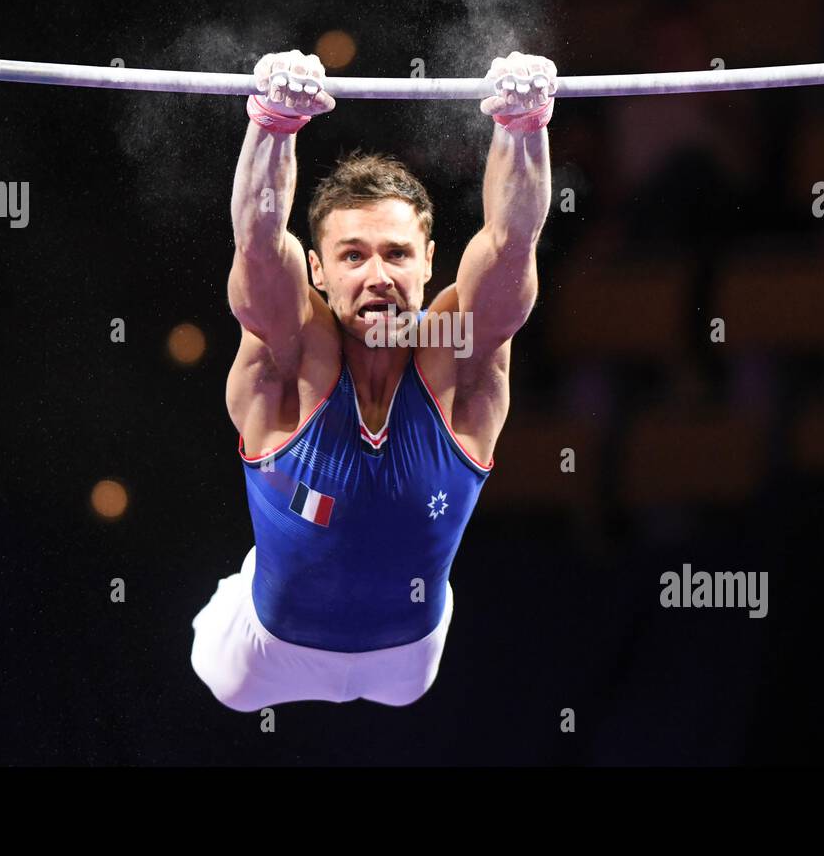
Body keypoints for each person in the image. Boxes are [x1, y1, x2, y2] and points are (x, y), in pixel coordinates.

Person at [190, 48, 556, 711]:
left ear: (429, 263)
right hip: (263, 653)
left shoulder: (456, 352)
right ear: (318, 269)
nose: (377, 276)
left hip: (407, 662)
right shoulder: (295, 355)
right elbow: (258, 244)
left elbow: (512, 243)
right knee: (216, 656)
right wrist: (272, 125)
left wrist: (525, 129)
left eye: (396, 254)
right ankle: (244, 583)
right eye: (352, 256)